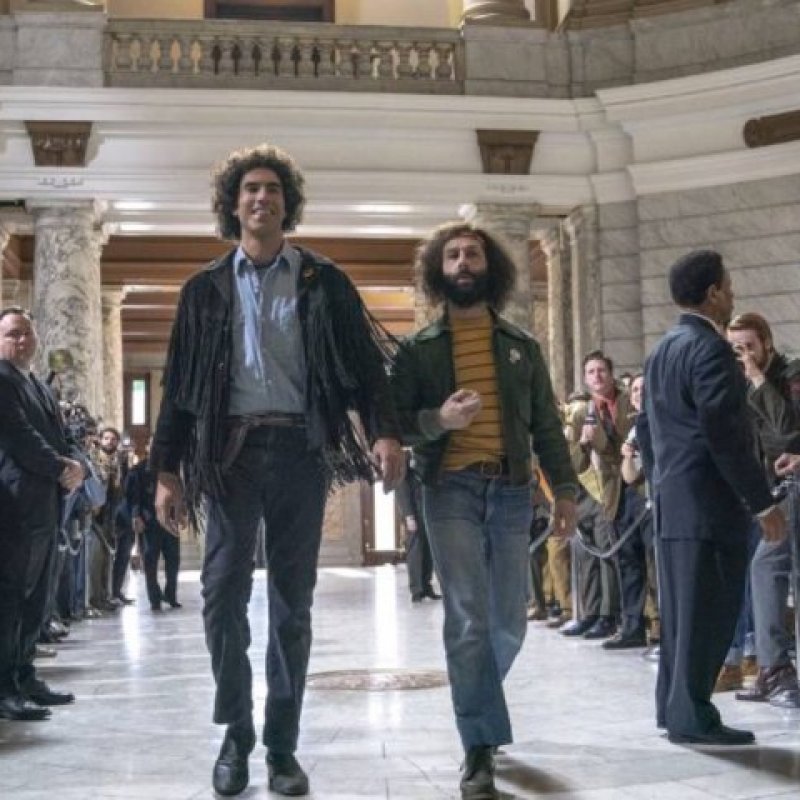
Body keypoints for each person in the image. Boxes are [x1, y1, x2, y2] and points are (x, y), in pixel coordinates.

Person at [150, 144, 404, 797]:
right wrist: (166, 470)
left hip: (300, 451)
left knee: (293, 605)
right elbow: (179, 387)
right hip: (229, 456)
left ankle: (282, 747)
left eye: (272, 189)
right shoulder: (204, 289)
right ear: (232, 205)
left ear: (287, 204)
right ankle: (236, 733)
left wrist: (384, 432)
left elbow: (365, 368)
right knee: (220, 596)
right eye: (250, 189)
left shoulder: (325, 281)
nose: (261, 198)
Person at [390, 221, 578, 800]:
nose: (463, 262)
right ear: (438, 270)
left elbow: (547, 426)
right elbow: (396, 426)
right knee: (468, 617)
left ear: (489, 266)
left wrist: (565, 489)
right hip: (449, 489)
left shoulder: (521, 346)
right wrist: (440, 420)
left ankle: (479, 707)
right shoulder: (418, 350)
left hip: (512, 490)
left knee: (509, 622)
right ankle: (479, 746)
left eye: (472, 253)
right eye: (452, 255)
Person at [637, 249, 786, 746]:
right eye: (729, 286)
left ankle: (673, 708)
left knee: (681, 616)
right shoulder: (710, 349)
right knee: (707, 614)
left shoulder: (662, 350)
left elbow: (646, 428)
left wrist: (661, 483)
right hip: (707, 506)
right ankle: (694, 716)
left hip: (674, 502)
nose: (733, 293)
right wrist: (762, 503)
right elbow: (723, 434)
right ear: (713, 293)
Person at [0, 307, 84, 721]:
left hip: (47, 503)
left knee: (38, 597)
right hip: (16, 505)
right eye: (13, 334)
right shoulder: (2, 381)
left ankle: (25, 674)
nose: (22, 341)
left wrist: (77, 464)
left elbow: (62, 435)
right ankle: (4, 687)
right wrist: (60, 467)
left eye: (27, 334)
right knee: (12, 597)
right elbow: (19, 436)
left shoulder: (37, 384)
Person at [725, 313, 800, 702]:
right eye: (735, 348)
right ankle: (772, 666)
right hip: (770, 492)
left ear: (767, 344)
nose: (743, 355)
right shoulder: (738, 384)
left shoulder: (790, 374)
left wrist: (757, 379)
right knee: (764, 566)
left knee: (768, 564)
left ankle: (775, 666)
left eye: (749, 346)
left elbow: (787, 432)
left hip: (793, 486)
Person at [128, 440, 181, 612]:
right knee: (150, 562)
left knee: (173, 559)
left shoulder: (172, 468)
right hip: (149, 521)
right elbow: (134, 496)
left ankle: (171, 595)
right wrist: (136, 516)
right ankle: (154, 599)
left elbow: (178, 491)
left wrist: (181, 512)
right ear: (148, 448)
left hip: (170, 521)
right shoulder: (138, 470)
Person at [394, 451, 440, 603]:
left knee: (428, 550)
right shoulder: (404, 457)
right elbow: (401, 488)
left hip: (428, 509)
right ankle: (416, 590)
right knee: (415, 550)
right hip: (414, 511)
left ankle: (427, 587)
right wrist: (408, 515)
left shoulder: (427, 455)